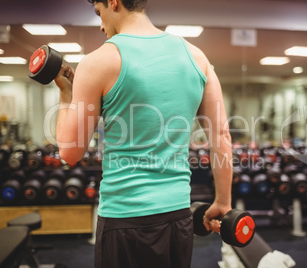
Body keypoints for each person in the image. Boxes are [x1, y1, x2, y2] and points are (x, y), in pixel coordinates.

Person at [54, 0, 233, 267]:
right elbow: (220, 135)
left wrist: (66, 93)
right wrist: (223, 201)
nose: (101, 26)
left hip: (123, 220)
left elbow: (70, 152)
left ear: (113, 3)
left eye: (99, 13)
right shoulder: (197, 57)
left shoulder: (97, 61)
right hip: (178, 217)